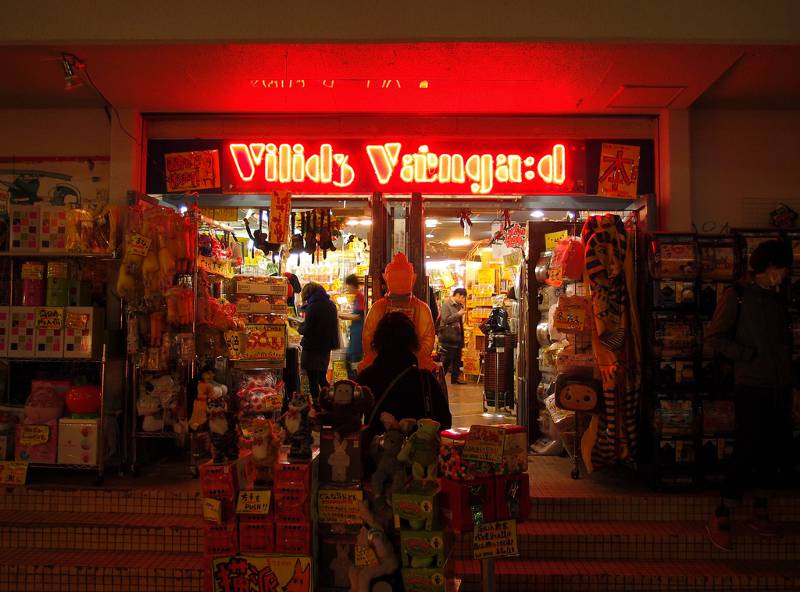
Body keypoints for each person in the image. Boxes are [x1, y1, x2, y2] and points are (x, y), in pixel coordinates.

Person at [704, 240, 793, 551]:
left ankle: (761, 509)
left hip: (779, 385)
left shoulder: (779, 299)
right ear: (767, 267)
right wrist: (748, 355)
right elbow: (714, 336)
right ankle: (723, 510)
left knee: (774, 447)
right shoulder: (739, 296)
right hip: (751, 384)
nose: (783, 275)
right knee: (748, 445)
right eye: (781, 268)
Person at [357, 312, 452, 441]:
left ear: (377, 340)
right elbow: (445, 421)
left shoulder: (366, 377)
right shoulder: (425, 380)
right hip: (416, 457)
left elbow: (351, 420)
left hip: (376, 456)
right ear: (412, 340)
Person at [360, 253, 436, 372]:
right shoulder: (378, 307)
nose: (400, 282)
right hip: (382, 363)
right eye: (395, 278)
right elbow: (368, 338)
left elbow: (428, 339)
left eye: (404, 278)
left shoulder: (422, 308)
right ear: (386, 278)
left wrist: (415, 355)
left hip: (413, 364)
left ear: (413, 278)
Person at [298, 282, 339, 403]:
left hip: (312, 348)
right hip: (325, 347)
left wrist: (300, 328)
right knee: (322, 377)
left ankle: (316, 404)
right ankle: (330, 402)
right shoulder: (331, 305)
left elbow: (308, 329)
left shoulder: (313, 307)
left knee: (312, 380)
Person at [437, 287, 467, 385]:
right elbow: (445, 319)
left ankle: (455, 378)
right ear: (458, 295)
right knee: (447, 359)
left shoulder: (459, 305)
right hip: (448, 337)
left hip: (457, 336)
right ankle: (439, 379)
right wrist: (458, 314)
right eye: (463, 297)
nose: (463, 300)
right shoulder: (446, 305)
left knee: (457, 359)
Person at [339, 274, 366, 375]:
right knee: (349, 358)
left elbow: (358, 316)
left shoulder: (360, 297)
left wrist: (342, 315)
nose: (346, 288)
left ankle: (354, 383)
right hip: (355, 331)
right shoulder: (358, 297)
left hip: (358, 332)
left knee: (353, 359)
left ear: (352, 285)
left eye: (347, 286)